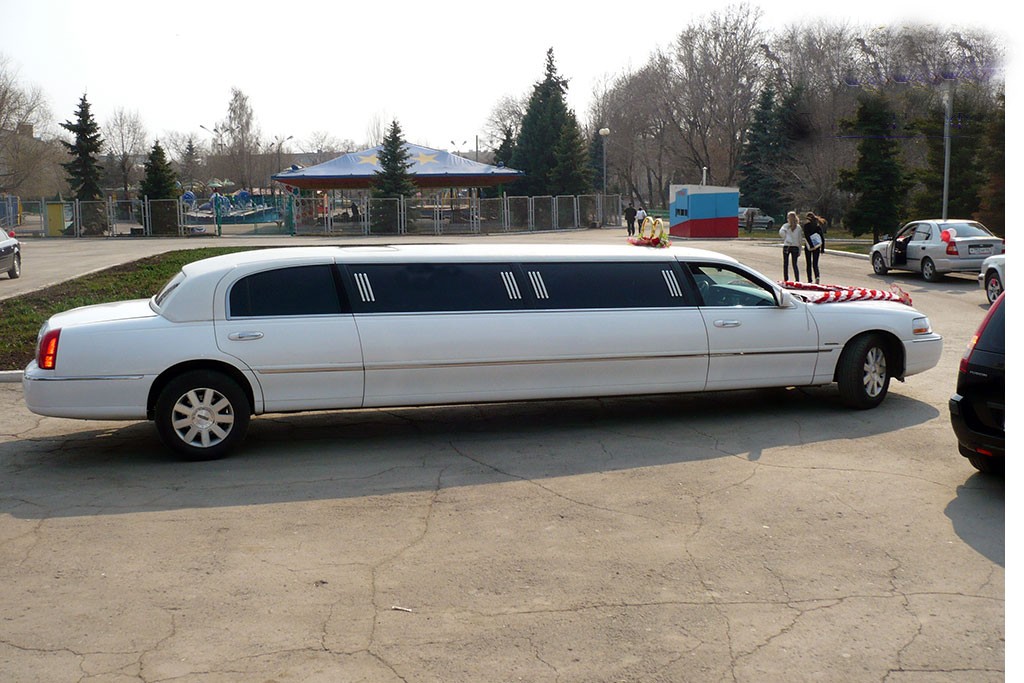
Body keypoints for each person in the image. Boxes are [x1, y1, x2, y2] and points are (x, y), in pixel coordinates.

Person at [779, 211, 804, 282]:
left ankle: (786, 279)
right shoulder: (798, 227)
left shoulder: (785, 226)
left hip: (787, 246)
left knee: (785, 263)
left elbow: (781, 233)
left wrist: (786, 238)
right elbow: (800, 239)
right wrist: (800, 249)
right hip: (795, 247)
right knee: (794, 264)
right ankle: (797, 279)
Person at [803, 211, 825, 284]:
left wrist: (811, 244)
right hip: (817, 246)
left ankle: (809, 279)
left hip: (808, 246)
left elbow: (806, 235)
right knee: (815, 263)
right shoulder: (817, 226)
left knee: (808, 263)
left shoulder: (806, 226)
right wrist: (822, 248)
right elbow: (822, 237)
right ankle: (817, 276)